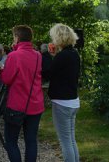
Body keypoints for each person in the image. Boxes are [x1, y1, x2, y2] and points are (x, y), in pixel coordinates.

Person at [0, 25, 44, 162]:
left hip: (17, 105)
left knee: (11, 141)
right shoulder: (38, 55)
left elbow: (7, 79)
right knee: (31, 141)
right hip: (35, 103)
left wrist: (2, 69)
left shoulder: (14, 56)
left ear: (17, 38)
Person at [43, 24, 81, 162]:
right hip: (73, 100)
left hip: (62, 102)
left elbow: (47, 73)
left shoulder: (62, 56)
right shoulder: (74, 54)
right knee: (70, 139)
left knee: (65, 141)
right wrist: (54, 55)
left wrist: (48, 55)